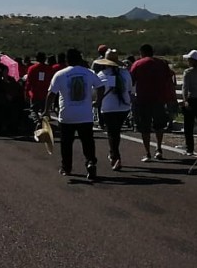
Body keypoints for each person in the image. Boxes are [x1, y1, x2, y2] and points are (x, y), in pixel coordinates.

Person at [43, 48, 105, 180]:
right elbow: (100, 86)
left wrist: (46, 110)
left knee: (66, 143)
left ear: (67, 60)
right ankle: (90, 162)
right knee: (88, 142)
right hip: (85, 115)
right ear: (80, 59)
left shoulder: (60, 74)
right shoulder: (88, 73)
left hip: (67, 115)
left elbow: (51, 94)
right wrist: (98, 101)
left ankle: (66, 167)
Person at [130, 44, 175, 162]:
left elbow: (131, 81)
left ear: (142, 53)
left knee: (145, 127)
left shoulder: (137, 64)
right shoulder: (162, 63)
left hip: (143, 99)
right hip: (159, 99)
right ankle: (159, 148)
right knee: (159, 126)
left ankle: (147, 152)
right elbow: (168, 79)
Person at [94, 49, 133, 171]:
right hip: (124, 106)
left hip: (108, 107)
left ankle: (115, 156)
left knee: (112, 133)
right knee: (116, 132)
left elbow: (95, 91)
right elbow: (129, 89)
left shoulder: (101, 75)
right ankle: (113, 154)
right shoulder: (125, 73)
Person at [25, 51, 53, 121]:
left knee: (34, 111)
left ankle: (37, 122)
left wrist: (26, 92)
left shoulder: (32, 68)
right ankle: (45, 125)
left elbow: (29, 82)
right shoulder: (49, 69)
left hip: (35, 94)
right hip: (45, 94)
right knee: (45, 111)